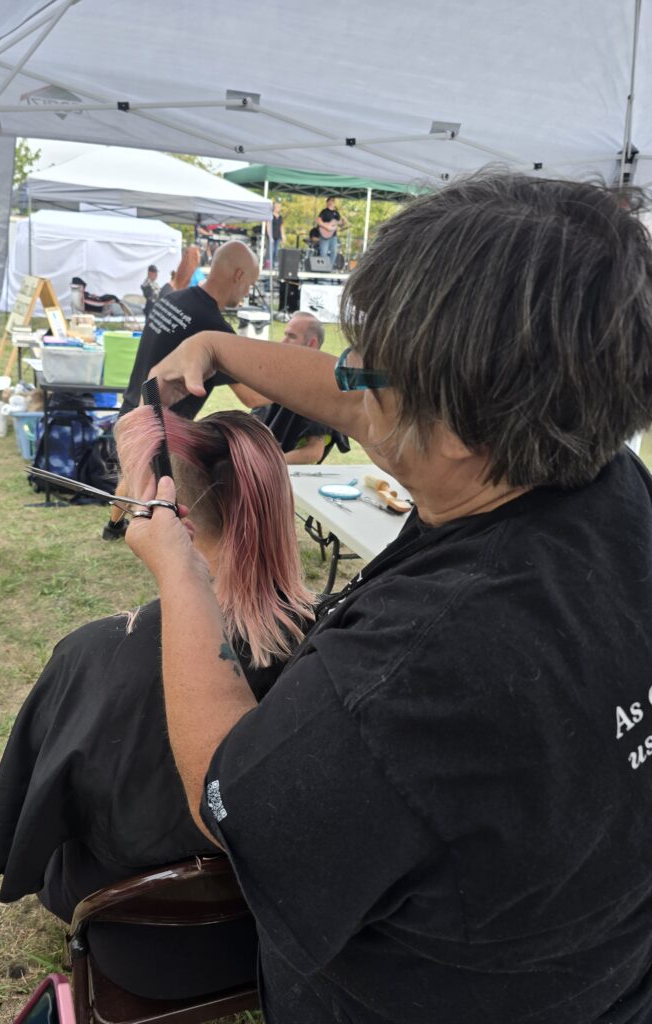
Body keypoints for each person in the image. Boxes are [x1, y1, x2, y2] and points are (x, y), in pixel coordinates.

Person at [123, 174, 652, 1023]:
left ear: (452, 430)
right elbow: (369, 404)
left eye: (367, 372)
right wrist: (219, 352)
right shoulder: (602, 476)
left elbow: (228, 798)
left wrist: (182, 561)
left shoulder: (412, 674)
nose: (347, 388)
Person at [0, 406, 314, 1000]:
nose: (114, 500)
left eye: (124, 484)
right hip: (281, 938)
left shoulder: (93, 656)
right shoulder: (337, 645)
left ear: (165, 512)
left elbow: (36, 812)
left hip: (143, 947)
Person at [101, 240, 258, 540]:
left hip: (134, 402)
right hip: (164, 424)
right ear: (238, 276)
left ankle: (112, 528)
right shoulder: (215, 329)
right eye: (249, 283)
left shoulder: (172, 299)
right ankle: (148, 535)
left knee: (133, 472)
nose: (248, 291)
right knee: (152, 484)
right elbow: (252, 396)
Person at [237, 312, 349, 464]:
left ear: (312, 344)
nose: (283, 341)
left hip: (281, 474)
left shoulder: (319, 388)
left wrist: (265, 465)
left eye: (291, 336)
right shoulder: (278, 375)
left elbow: (313, 452)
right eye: (285, 334)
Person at [315, 195, 348, 267]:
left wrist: (344, 222)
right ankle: (322, 268)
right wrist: (327, 227)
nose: (331, 202)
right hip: (324, 236)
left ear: (334, 203)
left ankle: (330, 267)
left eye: (332, 201)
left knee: (334, 252)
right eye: (329, 200)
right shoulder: (324, 211)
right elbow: (318, 220)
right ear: (327, 202)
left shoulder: (336, 213)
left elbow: (340, 224)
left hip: (333, 236)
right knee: (323, 252)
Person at [269, 199, 285, 267]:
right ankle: (270, 265)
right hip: (272, 235)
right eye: (277, 207)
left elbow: (281, 227)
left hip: (278, 236)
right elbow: (268, 226)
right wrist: (270, 236)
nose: (278, 208)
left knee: (276, 252)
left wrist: (283, 236)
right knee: (271, 251)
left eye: (279, 207)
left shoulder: (280, 217)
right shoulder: (270, 215)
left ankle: (274, 265)